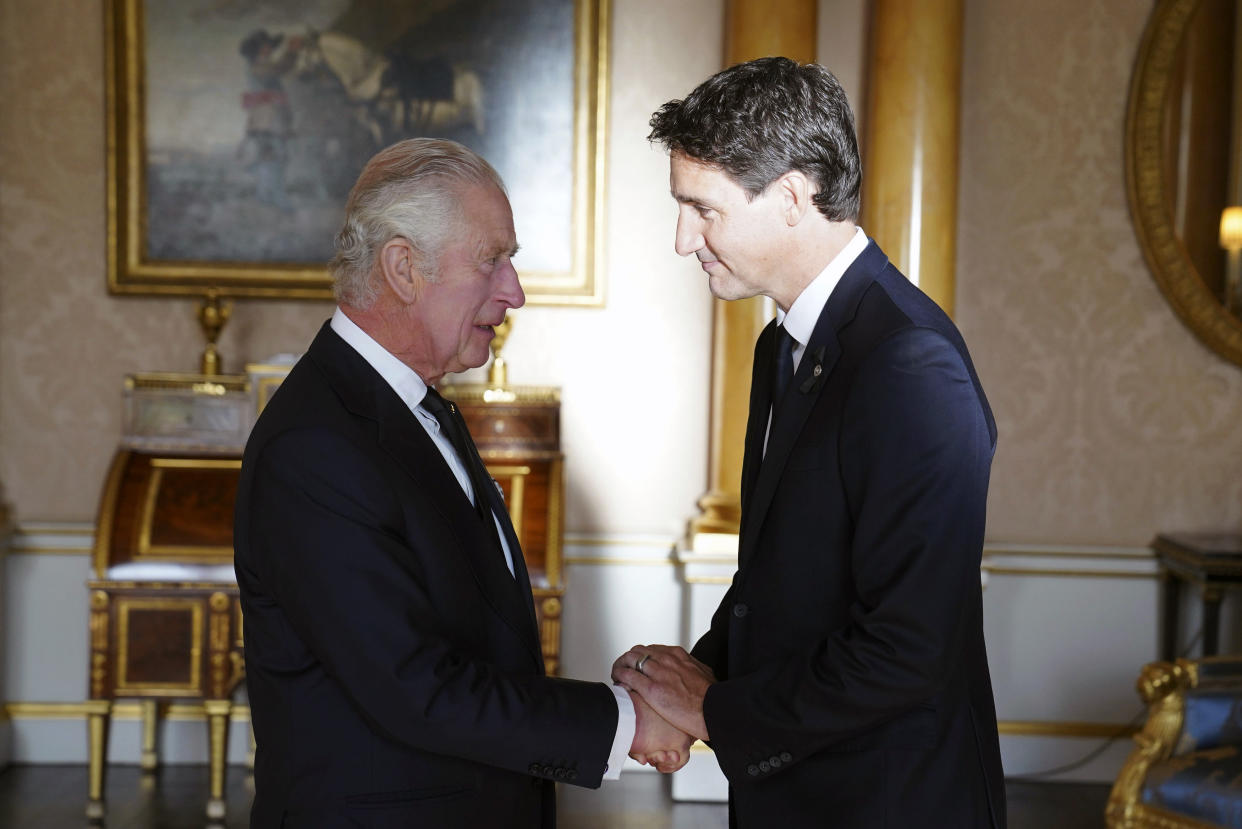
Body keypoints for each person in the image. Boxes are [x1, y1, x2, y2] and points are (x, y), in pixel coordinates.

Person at [234, 138, 690, 828]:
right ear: (403, 267)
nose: (515, 291)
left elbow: (473, 641)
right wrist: (624, 721)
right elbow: (417, 687)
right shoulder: (316, 445)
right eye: (492, 260)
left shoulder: (417, 407)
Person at [613, 57, 1006, 827]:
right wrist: (692, 673)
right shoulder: (783, 344)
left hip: (887, 803)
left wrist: (715, 710)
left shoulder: (909, 362)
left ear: (792, 196)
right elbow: (782, 582)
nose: (683, 238)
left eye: (704, 209)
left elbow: (907, 647)